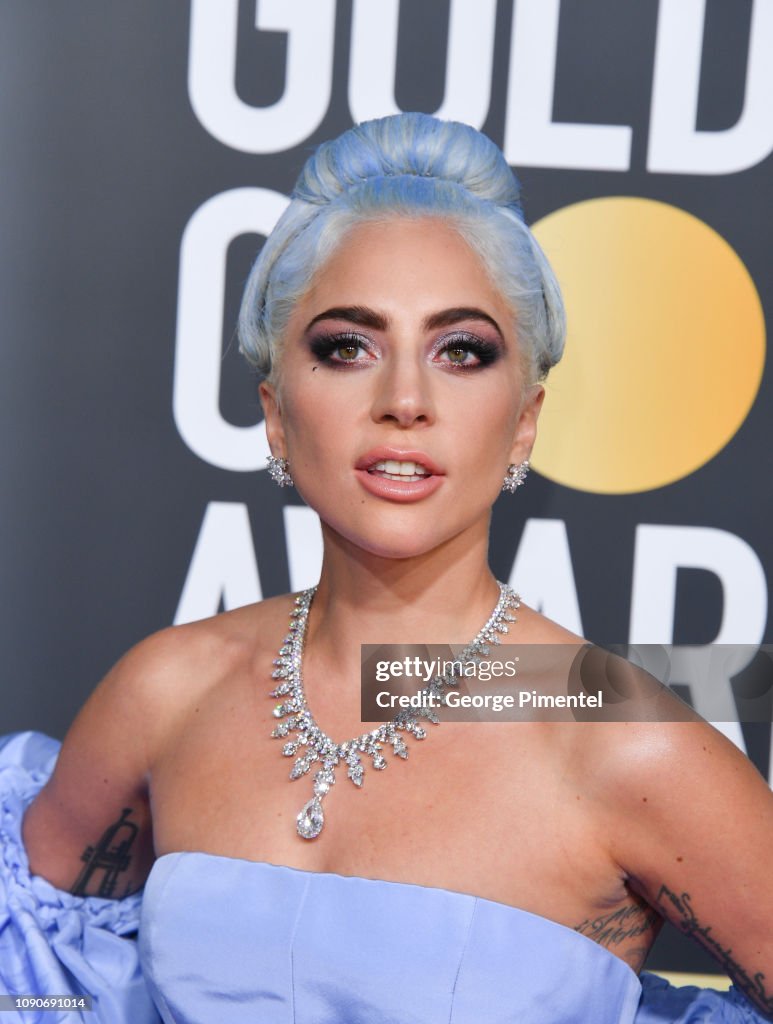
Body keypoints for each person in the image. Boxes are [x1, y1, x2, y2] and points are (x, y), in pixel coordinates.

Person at [1, 113, 771, 1024]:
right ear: (276, 414)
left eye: (461, 352)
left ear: (524, 419)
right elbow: (40, 980)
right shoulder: (167, 691)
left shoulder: (621, 740)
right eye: (345, 347)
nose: (403, 400)